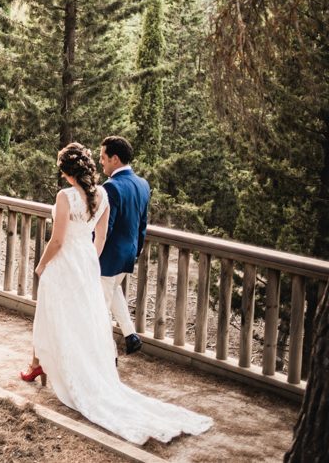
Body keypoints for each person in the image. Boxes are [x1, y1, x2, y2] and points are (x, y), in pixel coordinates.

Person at [20, 143, 212, 445]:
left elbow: (56, 240)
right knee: (83, 318)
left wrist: (42, 265)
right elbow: (102, 234)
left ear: (66, 170)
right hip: (85, 261)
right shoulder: (101, 195)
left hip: (65, 261)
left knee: (53, 313)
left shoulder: (65, 196)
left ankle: (39, 364)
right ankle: (37, 364)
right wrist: (89, 260)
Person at [98, 136, 148, 355]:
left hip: (108, 257)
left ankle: (110, 356)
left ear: (115, 159)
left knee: (100, 306)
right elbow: (142, 224)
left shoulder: (111, 187)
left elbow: (105, 228)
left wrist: (91, 254)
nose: (101, 162)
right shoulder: (143, 184)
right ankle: (130, 335)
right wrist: (135, 251)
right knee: (113, 290)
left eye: (103, 158)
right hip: (128, 255)